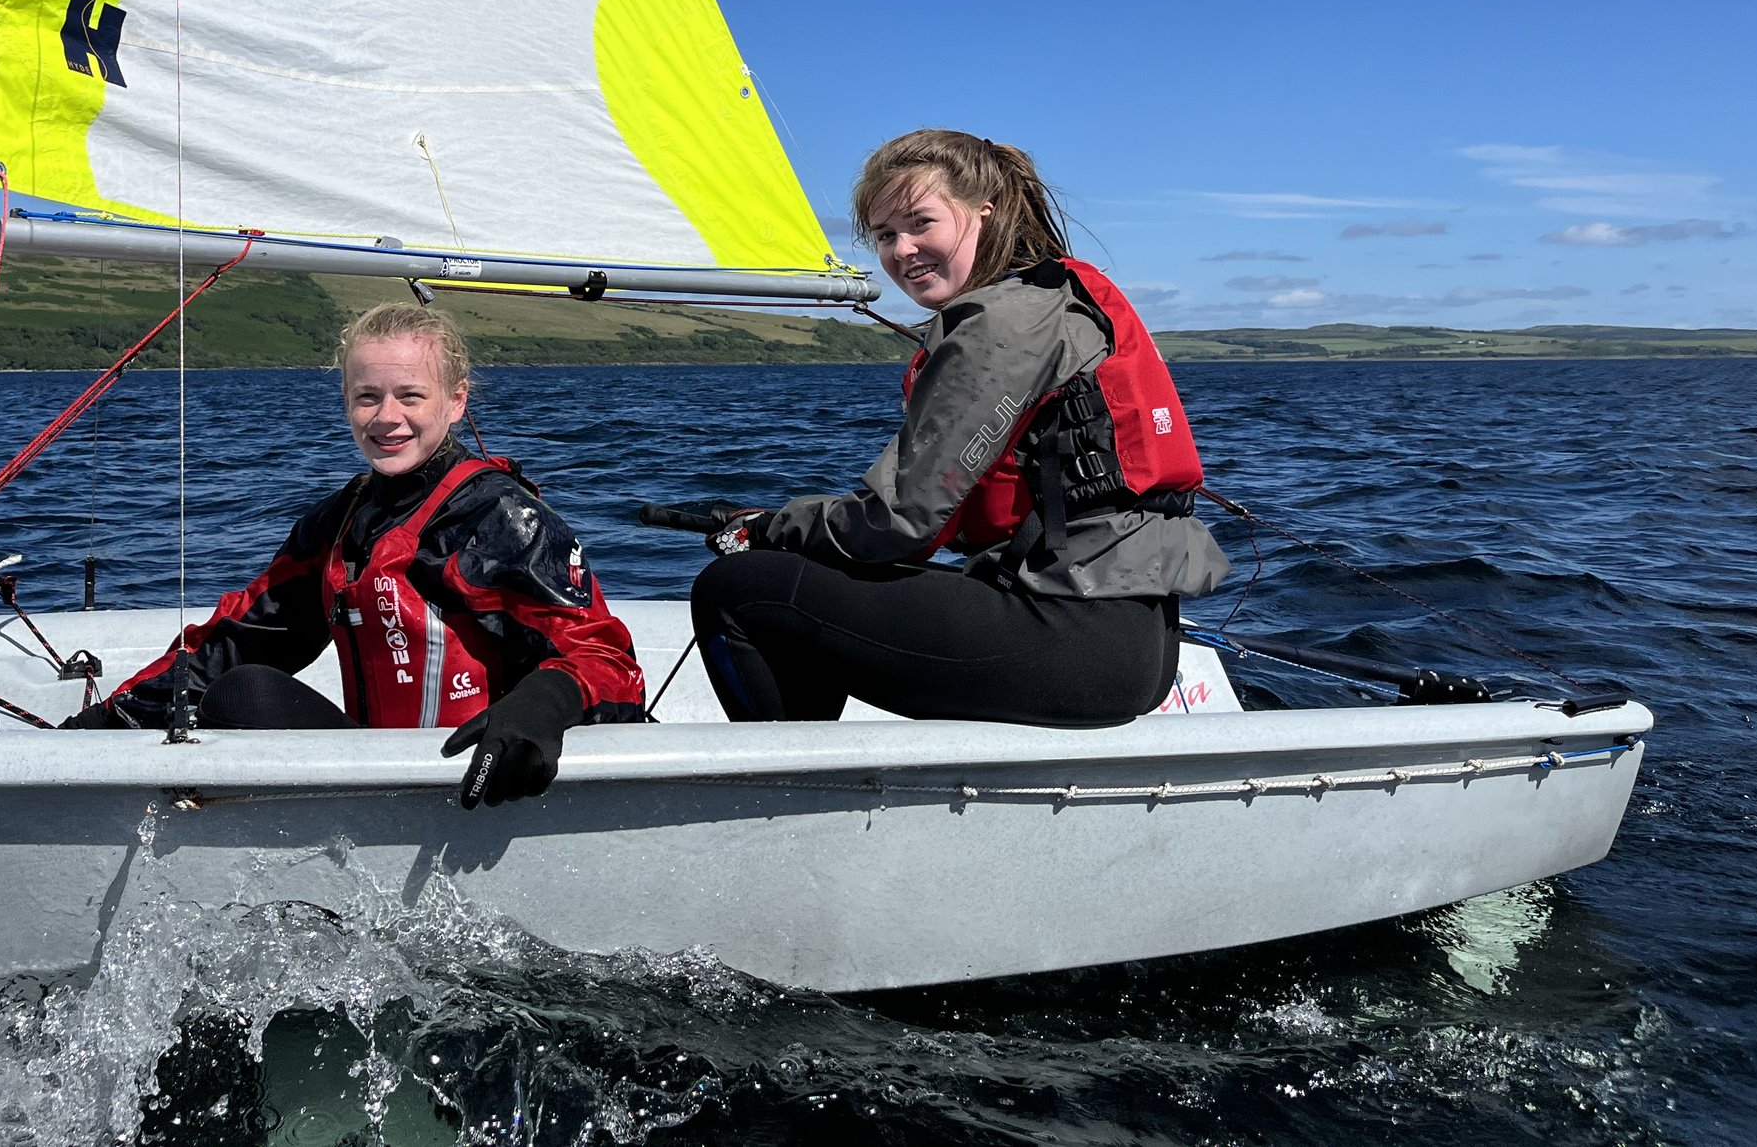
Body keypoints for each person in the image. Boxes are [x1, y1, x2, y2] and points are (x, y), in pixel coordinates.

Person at [688, 129, 1230, 729]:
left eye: (921, 223)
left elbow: (901, 523)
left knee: (739, 589)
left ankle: (783, 802)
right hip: (1131, 638)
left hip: (1075, 640)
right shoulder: (1050, 298)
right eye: (885, 235)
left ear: (984, 213)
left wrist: (772, 527)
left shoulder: (1002, 321)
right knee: (816, 574)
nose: (902, 250)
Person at [62, 301, 647, 807]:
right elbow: (234, 641)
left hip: (484, 779)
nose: (387, 417)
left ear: (456, 401)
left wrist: (543, 705)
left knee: (244, 697)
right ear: (346, 402)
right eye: (368, 397)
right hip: (375, 786)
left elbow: (609, 664)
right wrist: (101, 726)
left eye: (410, 395)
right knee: (239, 685)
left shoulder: (502, 518)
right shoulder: (339, 522)